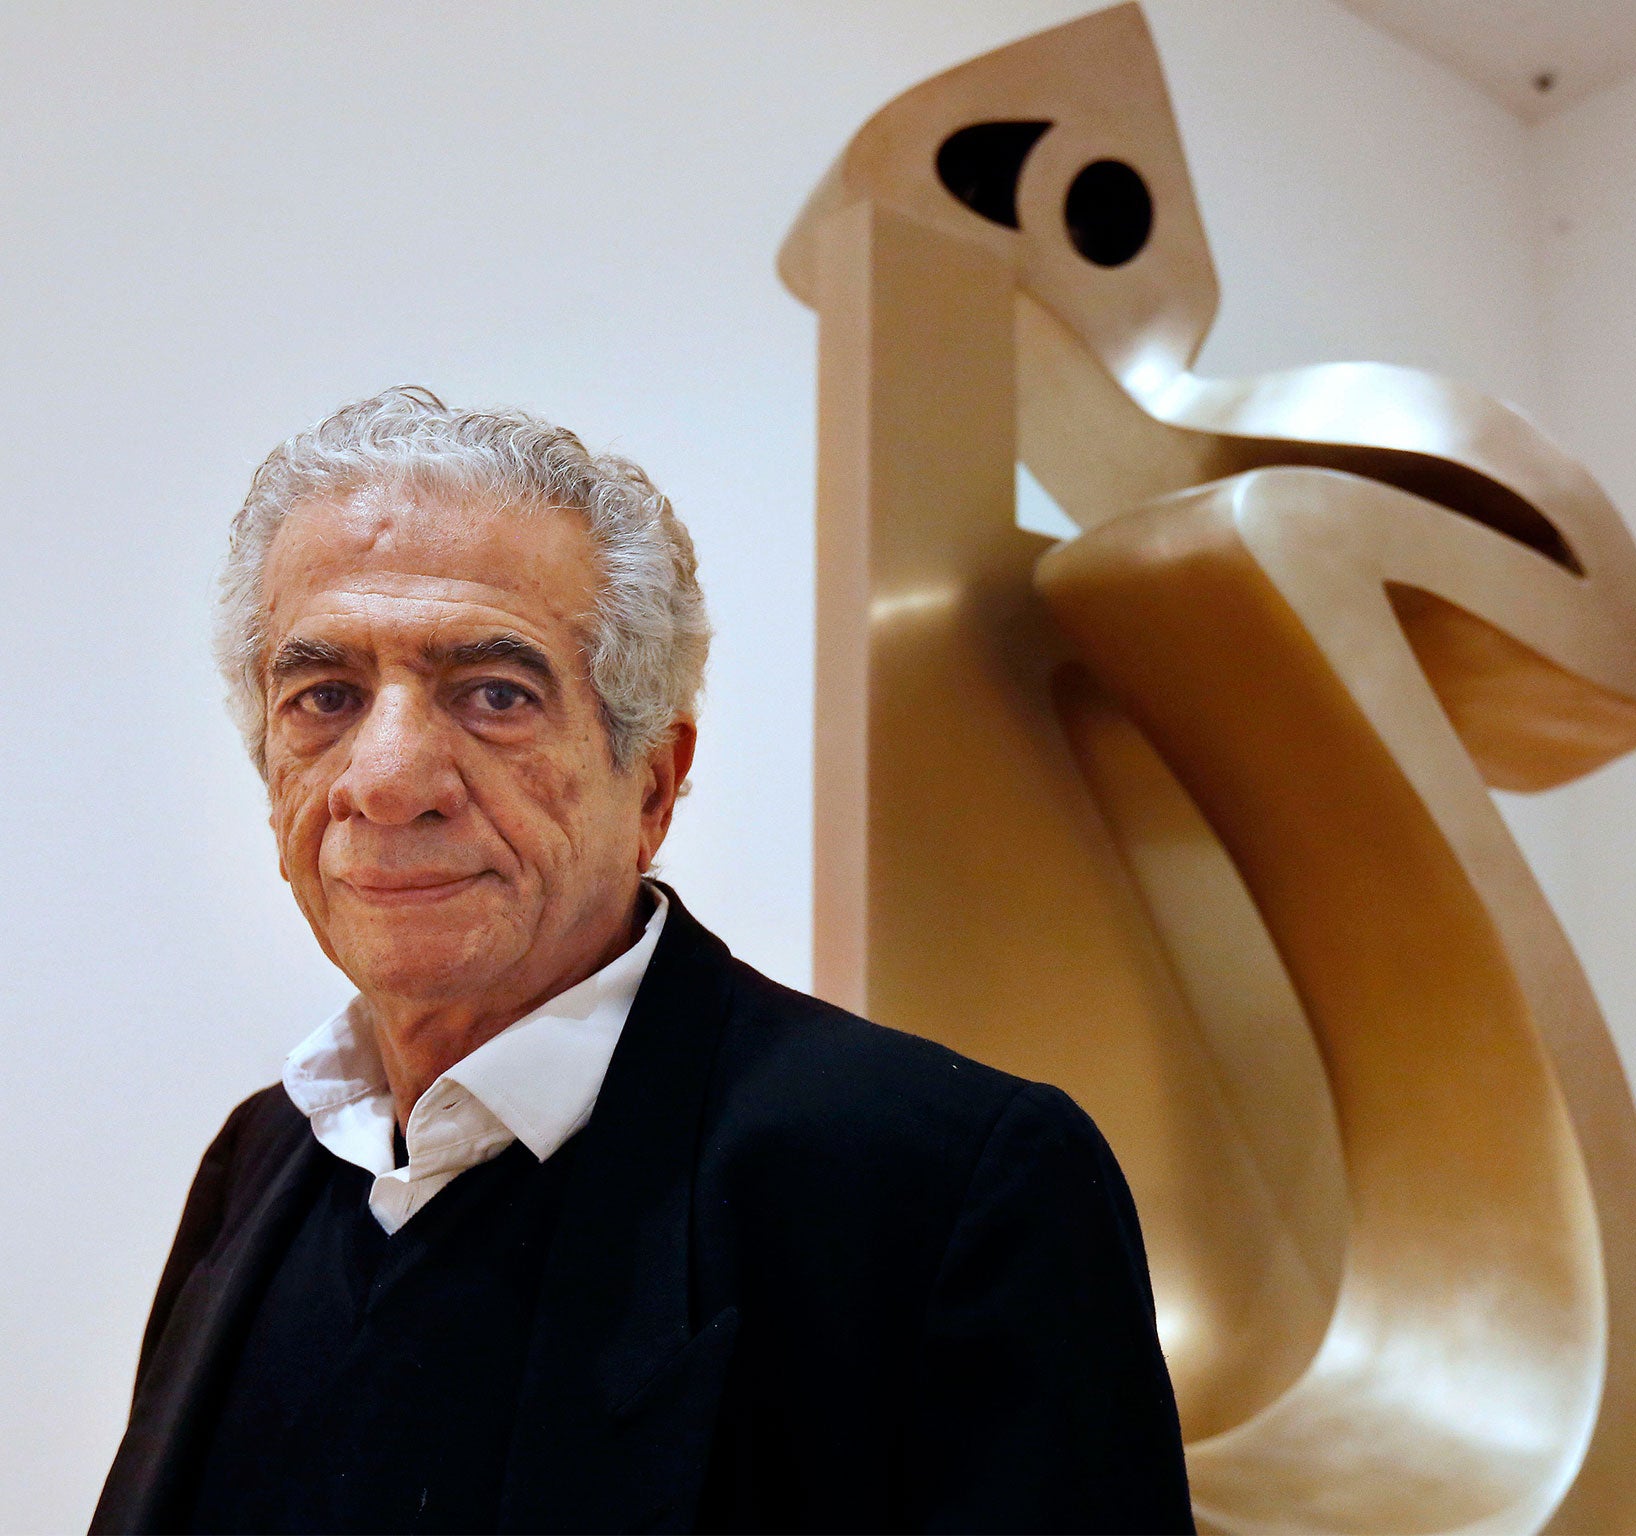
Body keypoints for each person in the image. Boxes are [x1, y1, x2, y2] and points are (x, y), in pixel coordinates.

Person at [92, 388, 1192, 1535]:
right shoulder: (255, 1164)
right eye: (325, 696)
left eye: (494, 693)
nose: (388, 778)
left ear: (653, 786)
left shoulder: (941, 1190)